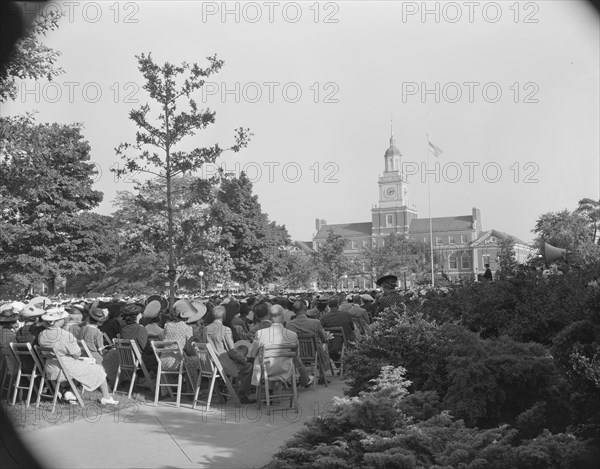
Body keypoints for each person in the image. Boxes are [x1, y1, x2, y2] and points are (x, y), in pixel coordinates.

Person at [37, 307, 118, 405]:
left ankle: (70, 392)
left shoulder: (41, 335)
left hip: (50, 367)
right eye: (62, 318)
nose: (64, 320)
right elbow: (76, 353)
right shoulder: (65, 335)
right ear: (57, 322)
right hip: (65, 368)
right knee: (98, 369)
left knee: (81, 367)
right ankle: (106, 397)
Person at [249, 305, 314, 389]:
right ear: (283, 318)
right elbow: (296, 356)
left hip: (265, 371)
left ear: (270, 317)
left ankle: (268, 390)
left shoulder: (260, 333)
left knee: (260, 358)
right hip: (287, 371)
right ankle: (304, 381)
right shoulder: (292, 335)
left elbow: (252, 354)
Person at [205, 305, 255, 404]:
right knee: (249, 366)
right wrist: (244, 359)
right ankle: (242, 395)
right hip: (224, 365)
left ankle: (222, 387)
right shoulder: (225, 330)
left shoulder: (205, 329)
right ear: (224, 316)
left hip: (210, 364)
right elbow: (232, 352)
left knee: (243, 362)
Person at [286, 300, 330, 384]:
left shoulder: (290, 325)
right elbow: (324, 338)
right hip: (314, 352)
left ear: (294, 311)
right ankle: (322, 376)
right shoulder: (315, 322)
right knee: (324, 346)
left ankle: (297, 376)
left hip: (297, 353)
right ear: (305, 309)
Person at [320, 297, 355, 363]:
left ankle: (340, 365)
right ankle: (346, 365)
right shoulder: (346, 315)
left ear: (329, 306)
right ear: (338, 305)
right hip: (348, 341)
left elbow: (320, 329)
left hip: (332, 344)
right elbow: (352, 327)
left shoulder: (324, 317)